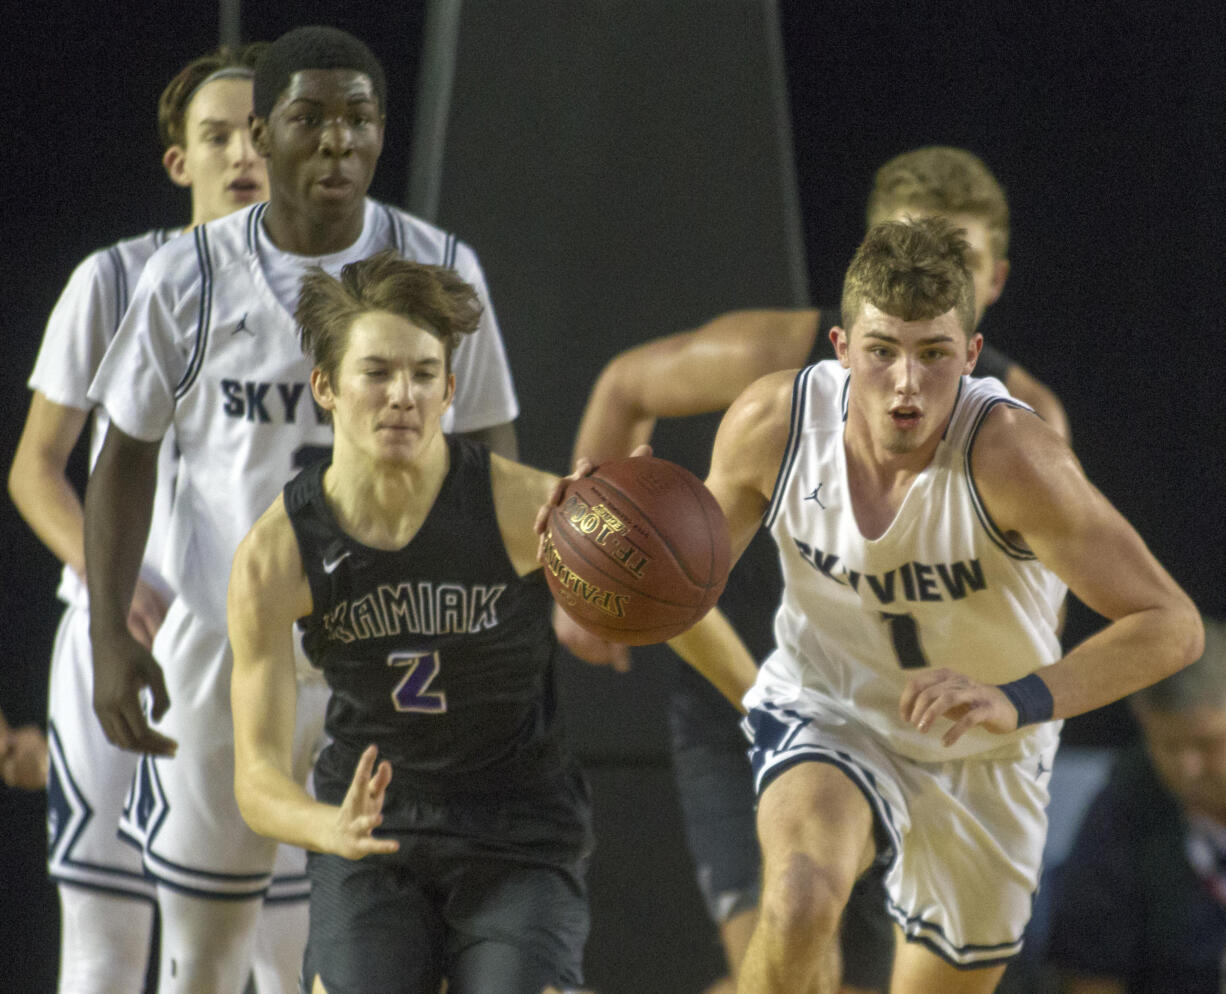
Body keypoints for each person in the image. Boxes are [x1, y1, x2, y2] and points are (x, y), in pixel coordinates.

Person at [564, 145, 1069, 994]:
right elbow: (624, 386)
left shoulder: (1022, 428)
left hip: (921, 721)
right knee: (787, 933)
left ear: (994, 281)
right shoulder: (776, 366)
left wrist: (1006, 704)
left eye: (957, 258)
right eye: (904, 248)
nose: (926, 270)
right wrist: (585, 578)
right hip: (757, 680)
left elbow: (1048, 617)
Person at [82, 26, 519, 994]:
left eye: (358, 118)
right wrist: (110, 630)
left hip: (394, 648)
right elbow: (122, 457)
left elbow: (492, 456)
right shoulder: (188, 276)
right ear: (264, 134)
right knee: (202, 954)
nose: (335, 142)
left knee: (386, 948)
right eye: (309, 119)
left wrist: (489, 635)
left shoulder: (439, 264)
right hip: (227, 643)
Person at [227, 251, 757, 993]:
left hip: (516, 825)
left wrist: (765, 706)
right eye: (376, 373)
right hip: (373, 827)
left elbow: (675, 601)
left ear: (449, 389)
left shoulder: (520, 508)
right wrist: (326, 827)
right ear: (327, 388)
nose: (402, 395)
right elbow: (254, 777)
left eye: (423, 374)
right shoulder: (276, 555)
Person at [697, 215, 1201, 993]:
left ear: (969, 355)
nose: (905, 382)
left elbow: (1172, 626)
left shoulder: (1014, 458)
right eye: (881, 352)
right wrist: (610, 543)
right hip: (832, 705)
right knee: (800, 898)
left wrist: (1016, 698)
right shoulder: (774, 425)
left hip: (986, 746)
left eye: (932, 354)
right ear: (840, 349)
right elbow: (679, 584)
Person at [6, 45, 268, 993]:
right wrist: (114, 585)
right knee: (107, 945)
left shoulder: (321, 296)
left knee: (270, 950)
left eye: (260, 132)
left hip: (258, 649)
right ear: (179, 160)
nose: (243, 152)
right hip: (121, 639)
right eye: (218, 135)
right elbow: (36, 469)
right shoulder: (113, 279)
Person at [1046, 616, 1226, 994]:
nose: (1186, 768)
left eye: (1207, 743)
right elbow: (1091, 970)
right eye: (1167, 745)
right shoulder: (1125, 803)